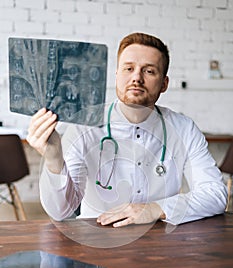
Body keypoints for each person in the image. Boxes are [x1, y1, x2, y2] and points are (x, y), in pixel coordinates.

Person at [27, 32, 227, 227]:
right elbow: (60, 211)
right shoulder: (83, 126)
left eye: (149, 71)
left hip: (161, 240)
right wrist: (53, 158)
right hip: (97, 238)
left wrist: (155, 208)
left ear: (164, 84)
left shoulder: (183, 128)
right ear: (116, 76)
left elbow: (215, 194)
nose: (136, 78)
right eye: (128, 69)